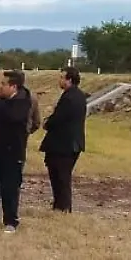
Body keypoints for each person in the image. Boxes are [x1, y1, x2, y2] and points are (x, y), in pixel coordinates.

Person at [0, 70, 35, 232]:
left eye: (4, 84)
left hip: (12, 152)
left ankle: (11, 221)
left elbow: (12, 117)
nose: (0, 87)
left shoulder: (23, 101)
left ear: (13, 87)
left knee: (9, 188)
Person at [40, 65, 88, 212]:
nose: (59, 80)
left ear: (69, 79)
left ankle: (63, 207)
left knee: (61, 177)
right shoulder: (79, 95)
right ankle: (60, 205)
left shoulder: (69, 97)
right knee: (60, 175)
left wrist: (47, 122)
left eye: (62, 77)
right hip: (71, 143)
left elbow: (59, 118)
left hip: (64, 144)